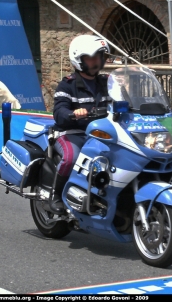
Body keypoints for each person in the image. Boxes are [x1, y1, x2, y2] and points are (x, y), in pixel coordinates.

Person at [50, 34, 110, 214]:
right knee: (72, 157)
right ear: (78, 59)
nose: (96, 61)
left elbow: (124, 100)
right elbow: (59, 112)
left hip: (101, 135)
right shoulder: (67, 85)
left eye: (98, 57)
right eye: (91, 58)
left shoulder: (107, 83)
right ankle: (56, 195)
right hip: (71, 133)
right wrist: (72, 113)